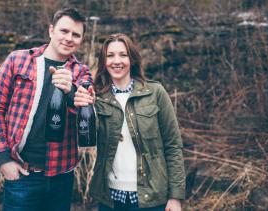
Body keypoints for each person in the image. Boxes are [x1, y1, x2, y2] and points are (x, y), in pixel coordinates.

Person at [0, 7, 92, 211]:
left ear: (81, 40)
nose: (69, 38)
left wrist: (71, 90)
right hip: (23, 175)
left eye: (76, 35)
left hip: (62, 176)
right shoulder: (18, 60)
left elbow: (87, 109)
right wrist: (3, 159)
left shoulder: (81, 72)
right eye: (64, 31)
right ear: (51, 30)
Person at [74, 33, 185, 211]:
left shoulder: (155, 92)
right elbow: (85, 138)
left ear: (132, 59)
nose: (116, 61)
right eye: (110, 56)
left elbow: (173, 146)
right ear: (104, 61)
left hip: (152, 197)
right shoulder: (97, 97)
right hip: (110, 198)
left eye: (123, 55)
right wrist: (84, 106)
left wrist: (175, 197)